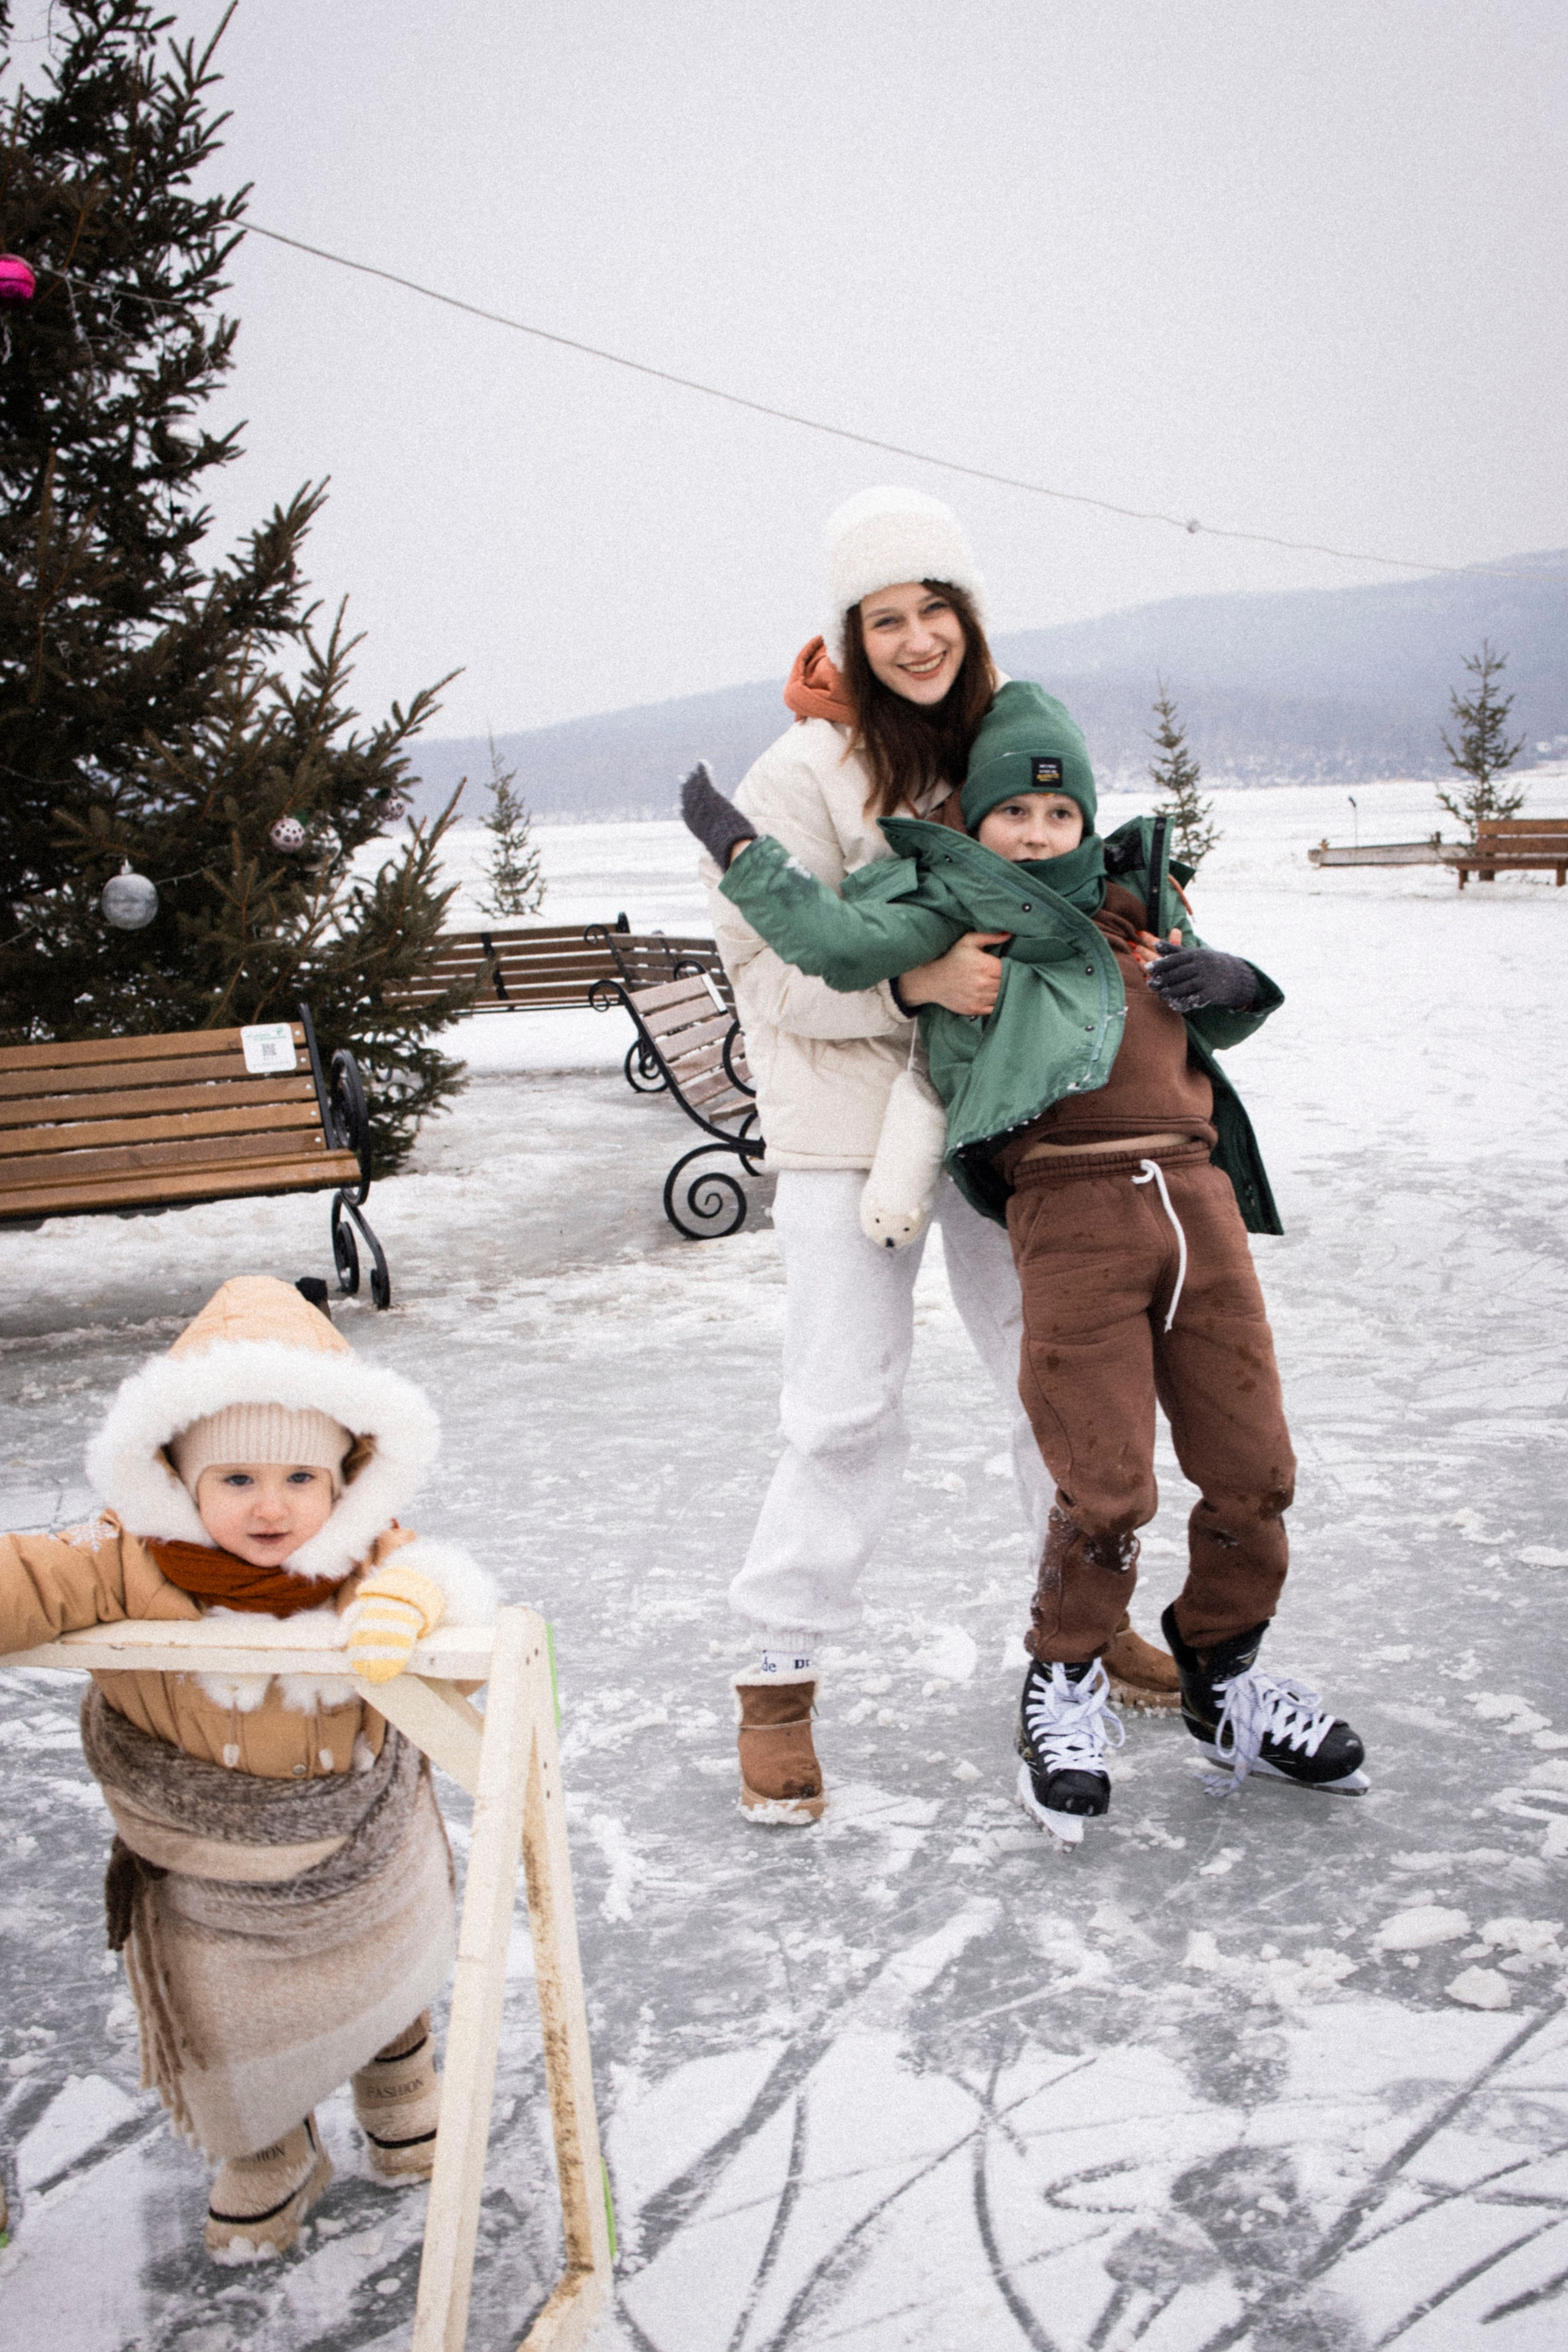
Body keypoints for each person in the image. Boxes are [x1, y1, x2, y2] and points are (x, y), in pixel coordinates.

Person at [685, 677, 1368, 1845]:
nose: (1040, 832)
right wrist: (761, 863)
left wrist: (1240, 983)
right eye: (1018, 815)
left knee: (1211, 1451)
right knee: (860, 1411)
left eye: (1062, 816)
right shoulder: (900, 847)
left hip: (1172, 1187)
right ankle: (795, 1678)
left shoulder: (1125, 881)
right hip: (949, 1158)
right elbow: (813, 950)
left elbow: (1208, 1009)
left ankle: (1201, 1666)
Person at [699, 485, 1177, 1828]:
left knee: (1060, 1386)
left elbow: (1061, 878)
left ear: (969, 617)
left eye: (933, 611)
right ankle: (776, 1680)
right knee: (843, 1406)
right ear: (848, 634)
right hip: (848, 1144)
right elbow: (764, 975)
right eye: (882, 618)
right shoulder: (795, 775)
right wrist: (912, 988)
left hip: (1004, 1128)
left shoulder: (995, 748)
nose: (913, 640)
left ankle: (1083, 1629)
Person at [0, 1275, 496, 2257]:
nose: (272, 1510)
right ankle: (268, 2144)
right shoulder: (122, 1558)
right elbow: (29, 1580)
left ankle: (400, 2079)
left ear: (344, 1482)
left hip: (357, 1834)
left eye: (300, 1481)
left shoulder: (366, 1557)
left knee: (384, 1961)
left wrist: (411, 1607)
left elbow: (445, 1600)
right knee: (233, 2012)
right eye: (235, 1481)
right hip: (207, 1858)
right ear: (178, 1476)